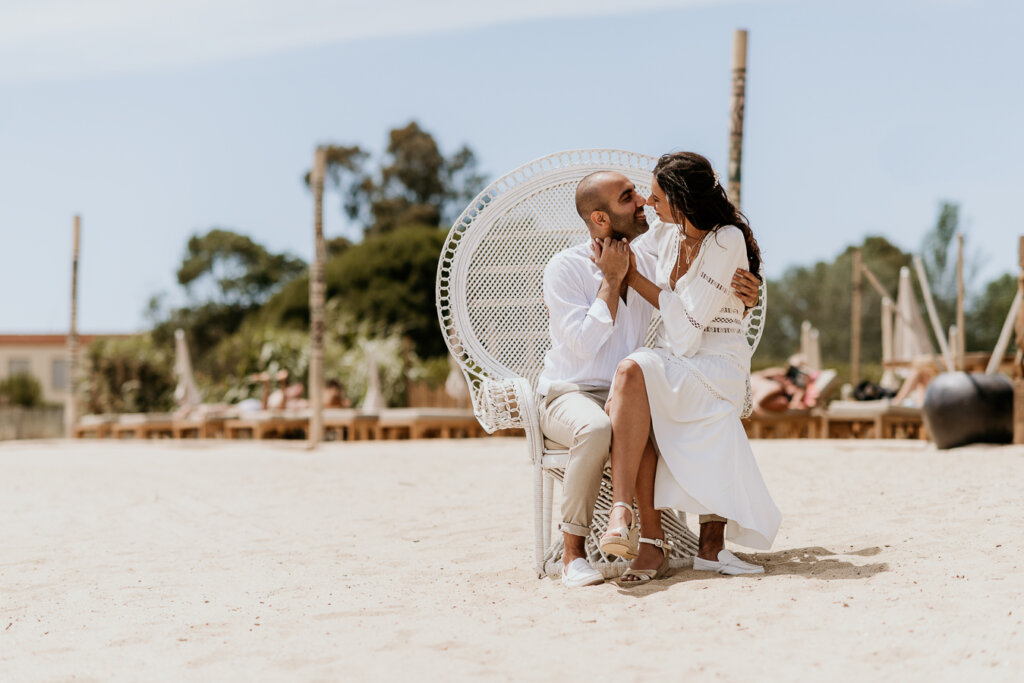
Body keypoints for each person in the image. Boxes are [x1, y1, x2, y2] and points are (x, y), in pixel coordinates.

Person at [538, 169, 760, 588]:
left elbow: (698, 299)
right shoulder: (564, 268)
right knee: (596, 428)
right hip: (569, 393)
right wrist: (611, 280)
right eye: (628, 197)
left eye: (640, 194)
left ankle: (660, 546)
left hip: (630, 390)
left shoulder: (652, 258)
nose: (642, 201)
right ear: (600, 219)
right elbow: (583, 346)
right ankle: (572, 555)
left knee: (695, 413)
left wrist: (746, 297)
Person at [600, 152, 781, 583]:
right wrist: (605, 244)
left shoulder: (726, 240)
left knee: (633, 371)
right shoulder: (668, 232)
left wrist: (631, 278)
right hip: (677, 359)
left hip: (715, 364)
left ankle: (640, 528)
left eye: (657, 197)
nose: (649, 203)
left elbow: (688, 331)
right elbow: (626, 244)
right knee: (630, 375)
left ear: (682, 201)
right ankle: (633, 524)